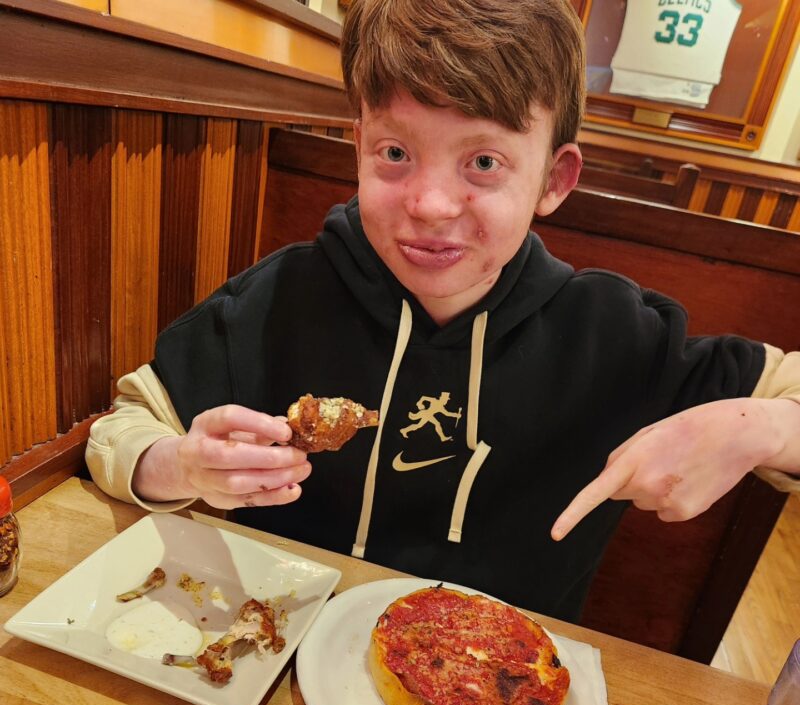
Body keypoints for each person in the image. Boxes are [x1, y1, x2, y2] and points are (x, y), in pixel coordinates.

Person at [86, 0, 800, 621]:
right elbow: (121, 429)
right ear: (358, 145)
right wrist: (181, 466)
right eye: (395, 152)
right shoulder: (280, 299)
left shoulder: (614, 338)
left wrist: (759, 427)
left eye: (483, 163)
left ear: (554, 179)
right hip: (279, 658)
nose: (429, 206)